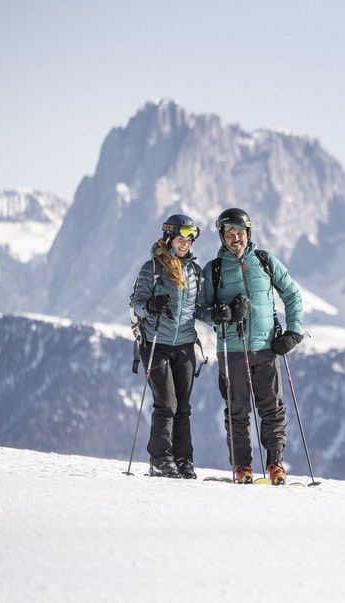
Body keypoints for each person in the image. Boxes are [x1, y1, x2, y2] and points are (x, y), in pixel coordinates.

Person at [201, 207, 304, 485]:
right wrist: (217, 314)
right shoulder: (214, 270)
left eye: (240, 233)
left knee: (272, 408)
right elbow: (201, 308)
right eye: (230, 233)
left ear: (249, 233)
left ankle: (275, 465)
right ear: (222, 237)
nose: (236, 238)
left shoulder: (265, 261)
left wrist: (294, 331)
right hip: (232, 349)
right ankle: (242, 466)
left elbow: (292, 293)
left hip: (266, 347)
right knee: (237, 410)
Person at [130, 214, 208, 479]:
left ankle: (183, 460)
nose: (185, 244)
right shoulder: (151, 268)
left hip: (185, 346)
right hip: (156, 344)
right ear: (168, 238)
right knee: (167, 404)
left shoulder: (194, 272)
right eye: (180, 238)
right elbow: (137, 304)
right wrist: (150, 306)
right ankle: (160, 459)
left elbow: (200, 310)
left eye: (189, 239)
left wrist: (221, 315)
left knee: (183, 407)